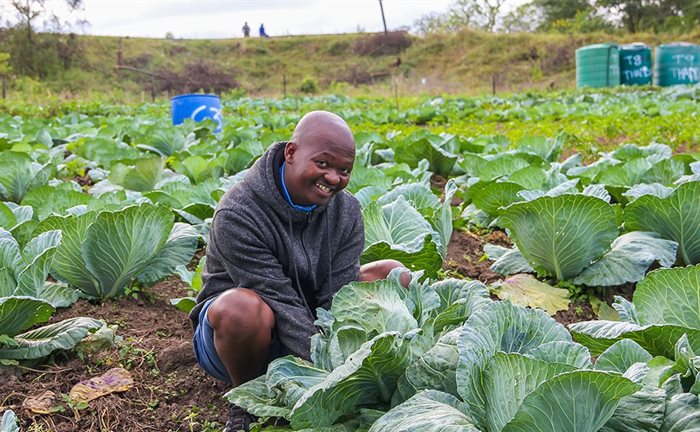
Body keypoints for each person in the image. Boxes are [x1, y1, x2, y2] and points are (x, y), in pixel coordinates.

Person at [190, 111, 408, 432]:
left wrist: (352, 370)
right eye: (323, 164)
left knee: (393, 275)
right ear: (291, 153)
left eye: (344, 170)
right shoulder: (239, 212)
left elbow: (341, 297)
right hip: (241, 339)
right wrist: (333, 378)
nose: (333, 178)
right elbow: (278, 300)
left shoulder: (346, 211)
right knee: (243, 309)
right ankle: (244, 404)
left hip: (309, 322)